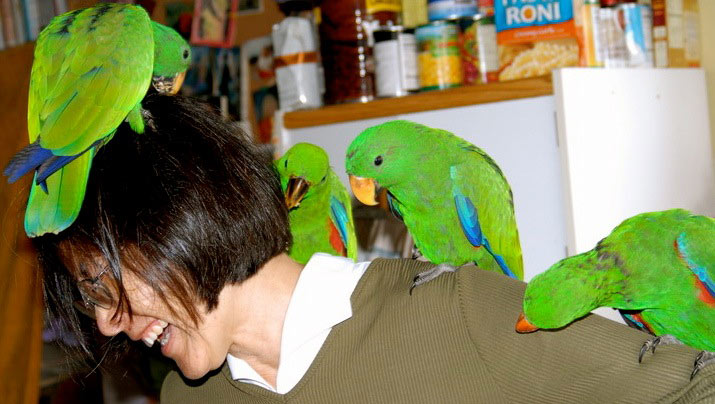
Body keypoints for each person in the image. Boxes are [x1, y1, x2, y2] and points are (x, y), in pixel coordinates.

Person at [34, 95, 715, 403]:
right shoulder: (190, 400)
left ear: (180, 226)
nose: (104, 323)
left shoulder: (462, 313)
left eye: (104, 286)